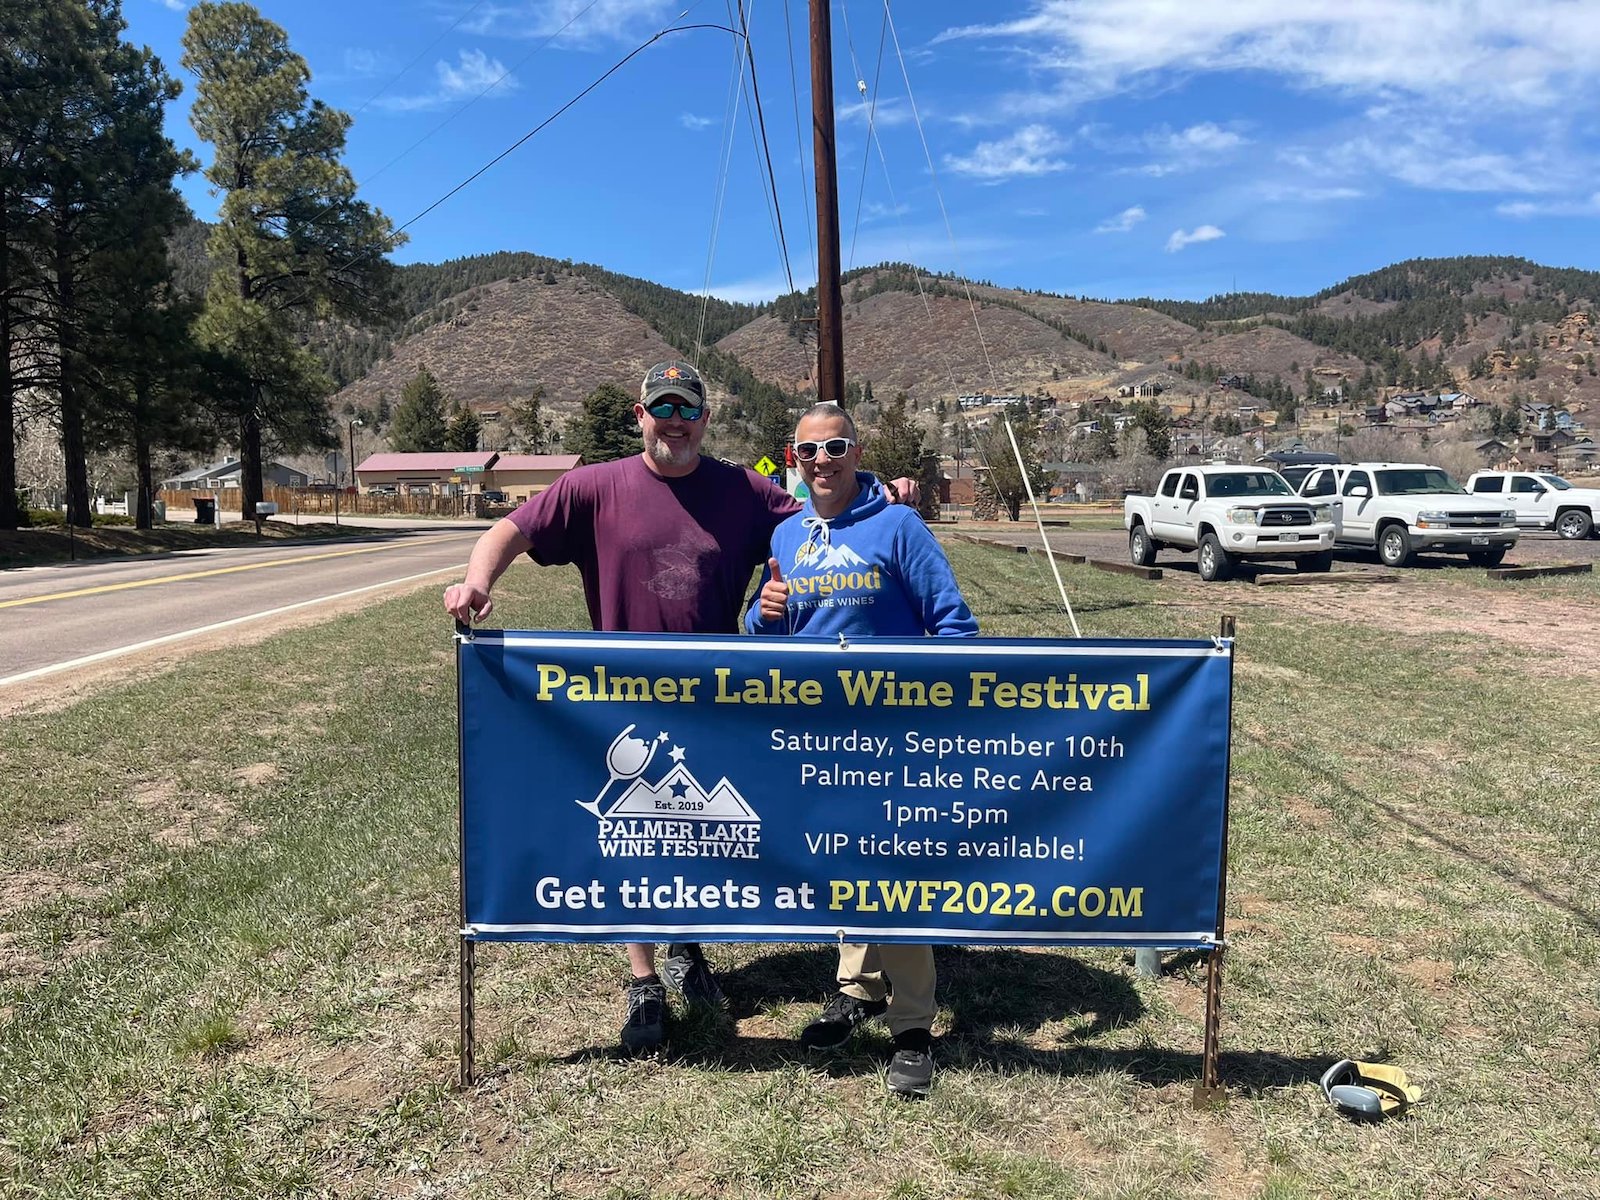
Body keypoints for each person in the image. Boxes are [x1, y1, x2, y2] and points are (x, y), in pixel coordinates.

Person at [442, 361, 920, 1056]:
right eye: (661, 407)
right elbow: (510, 531)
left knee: (696, 829)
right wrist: (475, 582)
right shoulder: (593, 487)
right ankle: (644, 978)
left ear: (703, 419)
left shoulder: (742, 490)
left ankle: (687, 943)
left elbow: (826, 508)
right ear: (641, 417)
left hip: (714, 695)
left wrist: (885, 494)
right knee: (629, 832)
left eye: (687, 408)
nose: (674, 420)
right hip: (616, 696)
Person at [744, 401, 977, 1098]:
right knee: (843, 860)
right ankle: (855, 988)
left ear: (856, 450)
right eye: (808, 452)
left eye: (835, 447)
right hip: (820, 735)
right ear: (793, 458)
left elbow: (954, 625)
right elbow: (765, 634)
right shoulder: (787, 536)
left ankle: (911, 1026)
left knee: (896, 870)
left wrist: (941, 713)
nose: (822, 461)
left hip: (895, 735)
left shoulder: (898, 526)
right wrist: (764, 617)